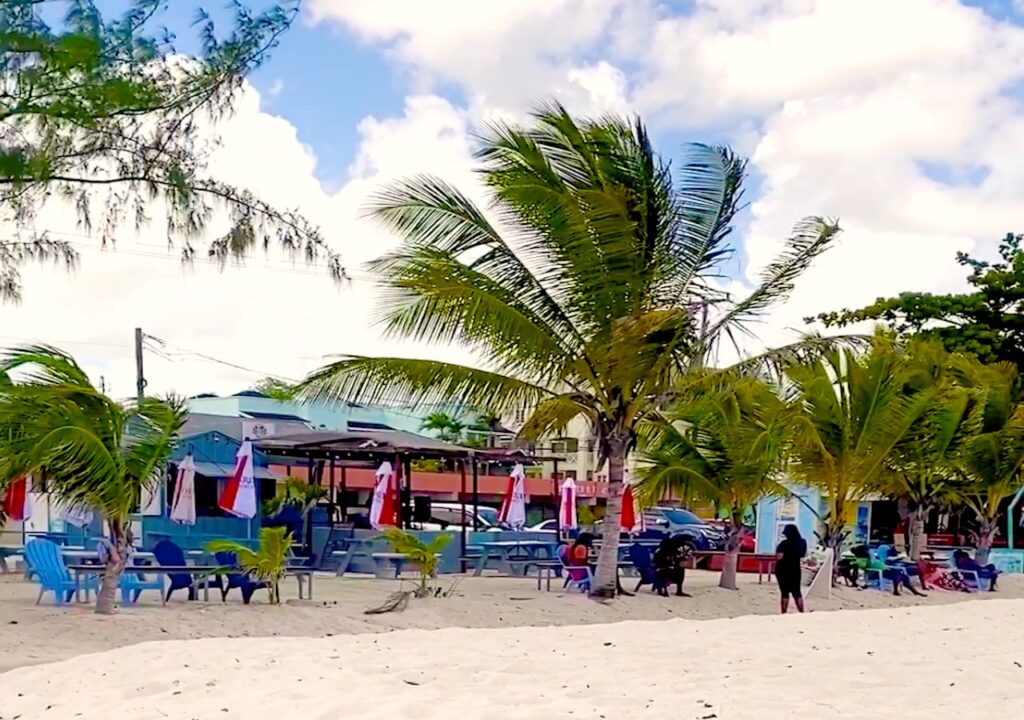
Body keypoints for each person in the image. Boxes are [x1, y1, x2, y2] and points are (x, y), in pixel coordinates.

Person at [775, 524, 807, 613]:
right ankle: (802, 611)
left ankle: (784, 612)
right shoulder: (802, 542)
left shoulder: (783, 544)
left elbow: (779, 557)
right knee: (797, 592)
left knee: (784, 592)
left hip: (783, 570)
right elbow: (802, 555)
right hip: (795, 569)